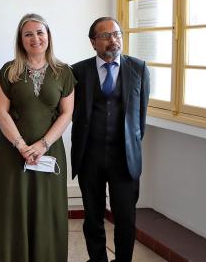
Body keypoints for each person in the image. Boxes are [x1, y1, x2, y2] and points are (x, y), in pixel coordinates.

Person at [0, 13, 74, 262]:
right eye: (28, 34)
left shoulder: (64, 72)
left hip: (49, 152)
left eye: (40, 32)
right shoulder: (9, 71)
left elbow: (66, 114)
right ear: (21, 40)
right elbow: (0, 112)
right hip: (13, 153)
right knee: (11, 209)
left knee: (46, 209)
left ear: (48, 36)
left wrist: (43, 145)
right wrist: (22, 146)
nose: (35, 38)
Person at [71, 17, 150, 262]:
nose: (113, 40)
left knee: (125, 218)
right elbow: (71, 112)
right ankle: (97, 259)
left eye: (116, 34)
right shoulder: (77, 71)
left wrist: (130, 144)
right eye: (105, 36)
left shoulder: (138, 68)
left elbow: (140, 116)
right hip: (89, 156)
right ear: (93, 42)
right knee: (93, 217)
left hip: (124, 158)